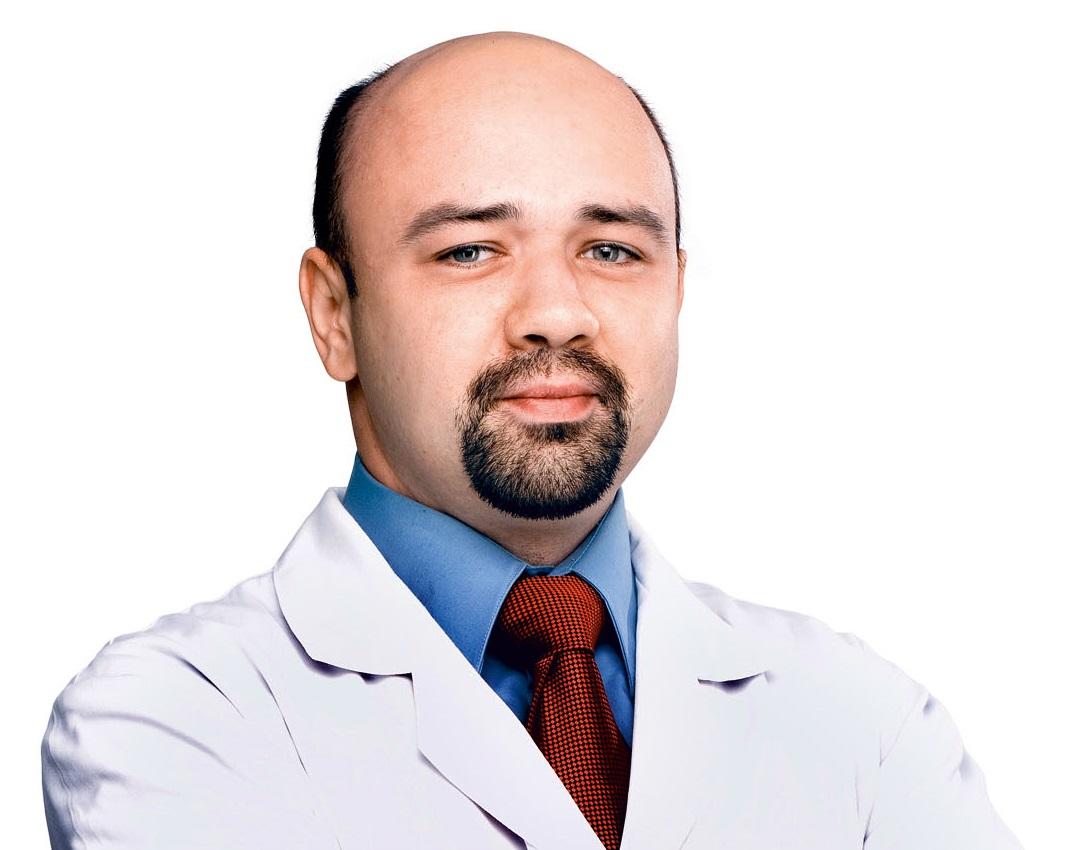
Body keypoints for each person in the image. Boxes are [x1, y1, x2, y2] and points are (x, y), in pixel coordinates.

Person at [40, 31, 1021, 850]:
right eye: (469, 250)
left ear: (677, 291)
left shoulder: (862, 722)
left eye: (612, 250)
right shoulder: (172, 719)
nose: (556, 312)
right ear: (334, 314)